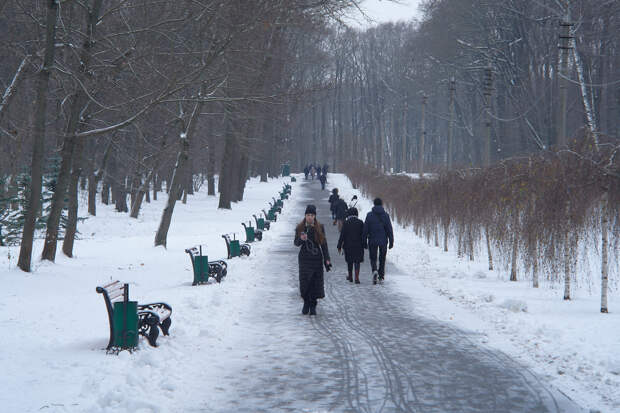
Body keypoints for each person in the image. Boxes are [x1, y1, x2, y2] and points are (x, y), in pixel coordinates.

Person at [294, 205, 331, 315]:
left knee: (315, 283)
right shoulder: (300, 227)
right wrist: (301, 239)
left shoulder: (319, 227)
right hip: (304, 259)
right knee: (305, 283)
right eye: (308, 215)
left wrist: (327, 259)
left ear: (315, 216)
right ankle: (306, 302)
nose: (310, 217)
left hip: (316, 259)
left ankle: (313, 305)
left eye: (312, 215)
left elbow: (324, 245)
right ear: (305, 216)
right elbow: (295, 243)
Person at [362, 198, 394, 284]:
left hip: (372, 240)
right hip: (383, 240)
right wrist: (391, 241)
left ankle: (374, 270)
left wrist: (364, 241)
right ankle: (381, 275)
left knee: (373, 257)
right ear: (382, 204)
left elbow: (365, 229)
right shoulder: (386, 215)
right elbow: (389, 229)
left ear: (374, 204)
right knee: (382, 258)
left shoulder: (369, 215)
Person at [337, 207, 364, 284]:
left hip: (348, 245)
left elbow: (342, 235)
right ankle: (357, 277)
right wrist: (365, 244)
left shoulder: (346, 223)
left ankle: (350, 276)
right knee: (357, 261)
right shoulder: (360, 222)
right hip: (359, 245)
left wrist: (339, 246)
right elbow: (363, 235)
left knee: (350, 261)